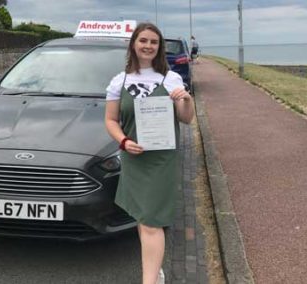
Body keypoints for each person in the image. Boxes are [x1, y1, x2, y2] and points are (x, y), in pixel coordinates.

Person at [105, 23, 194, 284]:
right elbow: (110, 120)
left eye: (153, 42)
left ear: (159, 47)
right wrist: (122, 141)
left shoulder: (171, 80)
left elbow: (186, 119)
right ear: (133, 43)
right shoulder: (119, 81)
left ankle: (150, 280)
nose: (148, 45)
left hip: (160, 161)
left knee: (152, 221)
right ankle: (156, 270)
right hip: (134, 158)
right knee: (143, 218)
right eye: (143, 40)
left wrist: (186, 100)